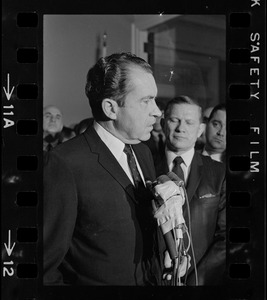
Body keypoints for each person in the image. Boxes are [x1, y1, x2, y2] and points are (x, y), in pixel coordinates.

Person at [43, 52, 165, 286]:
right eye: (146, 100)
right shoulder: (64, 163)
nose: (157, 111)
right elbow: (45, 268)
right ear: (111, 108)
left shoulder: (143, 152)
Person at [156, 95, 226, 286]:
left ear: (200, 129)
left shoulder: (219, 173)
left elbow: (225, 236)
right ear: (163, 123)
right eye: (174, 120)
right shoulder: (145, 166)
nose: (181, 128)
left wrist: (196, 281)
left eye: (189, 122)